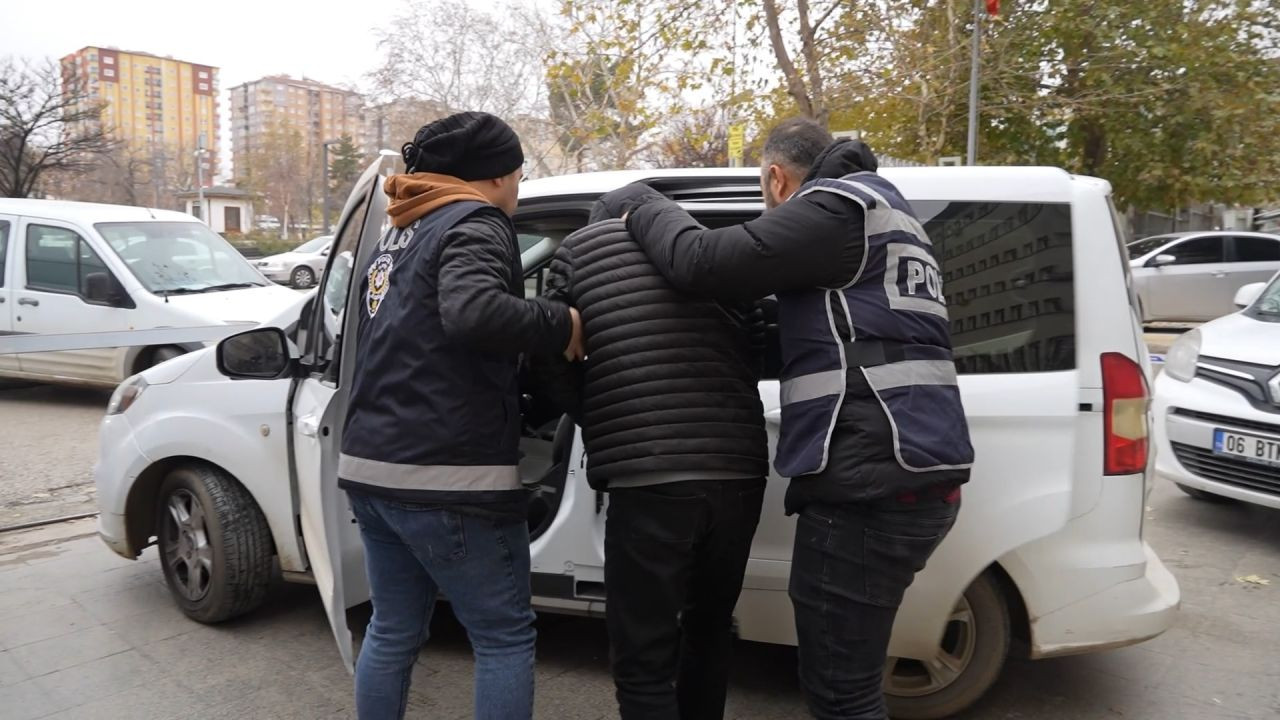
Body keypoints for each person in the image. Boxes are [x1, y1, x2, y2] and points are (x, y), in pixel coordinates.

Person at [601, 117, 974, 720]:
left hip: (869, 482)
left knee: (841, 695)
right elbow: (837, 334)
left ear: (777, 179)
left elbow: (702, 262)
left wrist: (643, 203)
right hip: (913, 470)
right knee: (848, 683)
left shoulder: (835, 209)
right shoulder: (888, 215)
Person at [338, 111, 583, 720]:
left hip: (372, 469)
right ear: (497, 176)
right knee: (503, 637)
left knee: (392, 630)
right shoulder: (475, 220)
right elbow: (473, 313)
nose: (518, 194)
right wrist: (565, 324)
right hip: (448, 477)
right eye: (519, 179)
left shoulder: (398, 234)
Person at [529, 197, 770, 719]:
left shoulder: (579, 249)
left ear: (603, 220)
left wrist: (598, 415)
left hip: (651, 479)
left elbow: (549, 347)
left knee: (644, 657)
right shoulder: (709, 249)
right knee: (708, 630)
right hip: (739, 471)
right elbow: (757, 346)